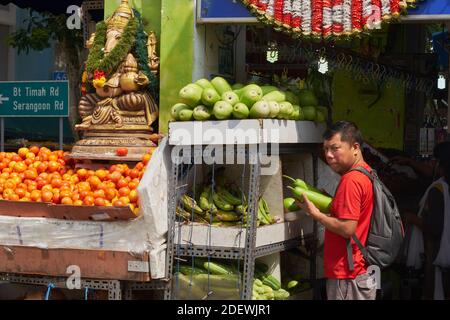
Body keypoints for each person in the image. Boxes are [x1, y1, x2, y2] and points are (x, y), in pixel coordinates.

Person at [297, 121, 377, 300]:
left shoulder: (351, 180)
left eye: (335, 148)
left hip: (348, 275)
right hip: (361, 270)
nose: (329, 155)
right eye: (325, 149)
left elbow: (348, 228)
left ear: (355, 147)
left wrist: (315, 214)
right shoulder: (366, 172)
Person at [405, 142, 450, 299]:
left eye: (434, 160)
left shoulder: (438, 190)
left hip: (438, 257)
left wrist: (411, 218)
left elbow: (434, 227)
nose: (431, 163)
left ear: (441, 163)